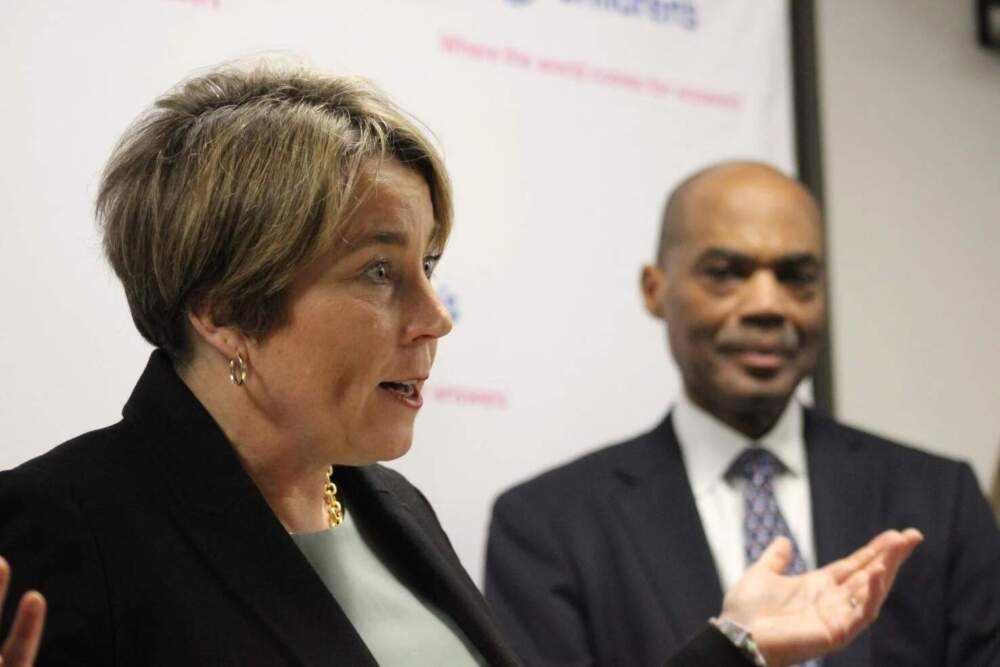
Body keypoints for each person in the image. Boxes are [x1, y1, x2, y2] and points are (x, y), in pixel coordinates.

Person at [0, 66, 920, 667]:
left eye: (429, 266)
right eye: (378, 272)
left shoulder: (385, 506)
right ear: (226, 308)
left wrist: (736, 643)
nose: (436, 316)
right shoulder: (62, 527)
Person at [485, 161, 1000, 667]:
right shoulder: (548, 526)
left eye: (796, 277)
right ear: (654, 289)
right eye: (726, 274)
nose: (767, 305)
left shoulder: (939, 499)